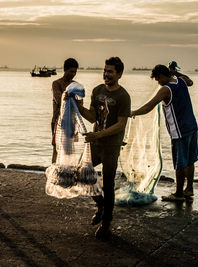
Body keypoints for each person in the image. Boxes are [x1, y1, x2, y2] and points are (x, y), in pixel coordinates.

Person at [76, 57, 131, 240]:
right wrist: (78, 107)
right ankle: (100, 205)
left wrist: (98, 135)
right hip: (95, 143)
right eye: (105, 71)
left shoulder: (123, 96)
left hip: (111, 146)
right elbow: (92, 117)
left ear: (119, 74)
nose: (106, 74)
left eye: (110, 72)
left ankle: (106, 224)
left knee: (108, 184)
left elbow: (121, 125)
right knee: (81, 173)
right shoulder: (97, 91)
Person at [131, 64, 198, 202]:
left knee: (180, 163)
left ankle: (179, 194)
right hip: (192, 126)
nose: (158, 82)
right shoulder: (182, 81)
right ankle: (189, 189)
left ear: (161, 76)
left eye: (158, 79)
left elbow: (149, 106)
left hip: (179, 131)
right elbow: (190, 81)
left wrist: (134, 113)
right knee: (190, 160)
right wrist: (175, 74)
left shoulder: (166, 89)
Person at [51, 58, 80, 163]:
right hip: (58, 121)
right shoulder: (56, 84)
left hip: (71, 122)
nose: (73, 74)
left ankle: (66, 170)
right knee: (56, 148)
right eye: (71, 71)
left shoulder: (76, 85)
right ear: (65, 69)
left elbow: (80, 104)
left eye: (75, 72)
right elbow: (59, 100)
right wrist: (69, 96)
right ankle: (54, 171)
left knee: (69, 150)